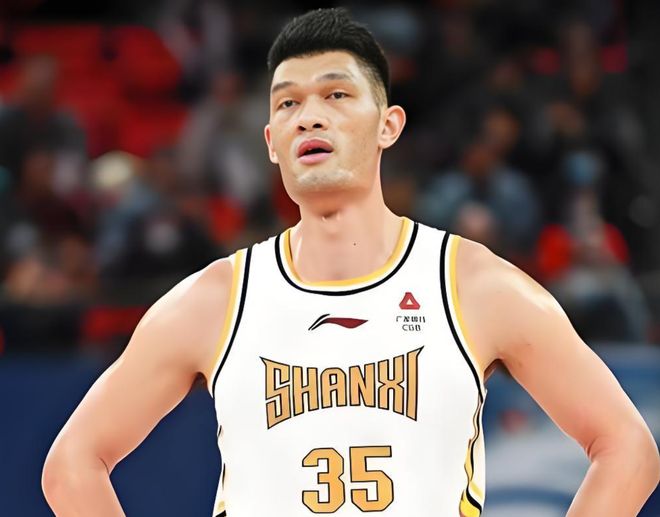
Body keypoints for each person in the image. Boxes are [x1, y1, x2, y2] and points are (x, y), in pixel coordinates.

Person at [42, 8, 659, 517]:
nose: (309, 115)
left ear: (388, 125)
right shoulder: (212, 300)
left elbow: (627, 446)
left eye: (336, 95)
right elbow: (72, 464)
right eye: (287, 104)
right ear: (271, 143)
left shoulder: (475, 285)